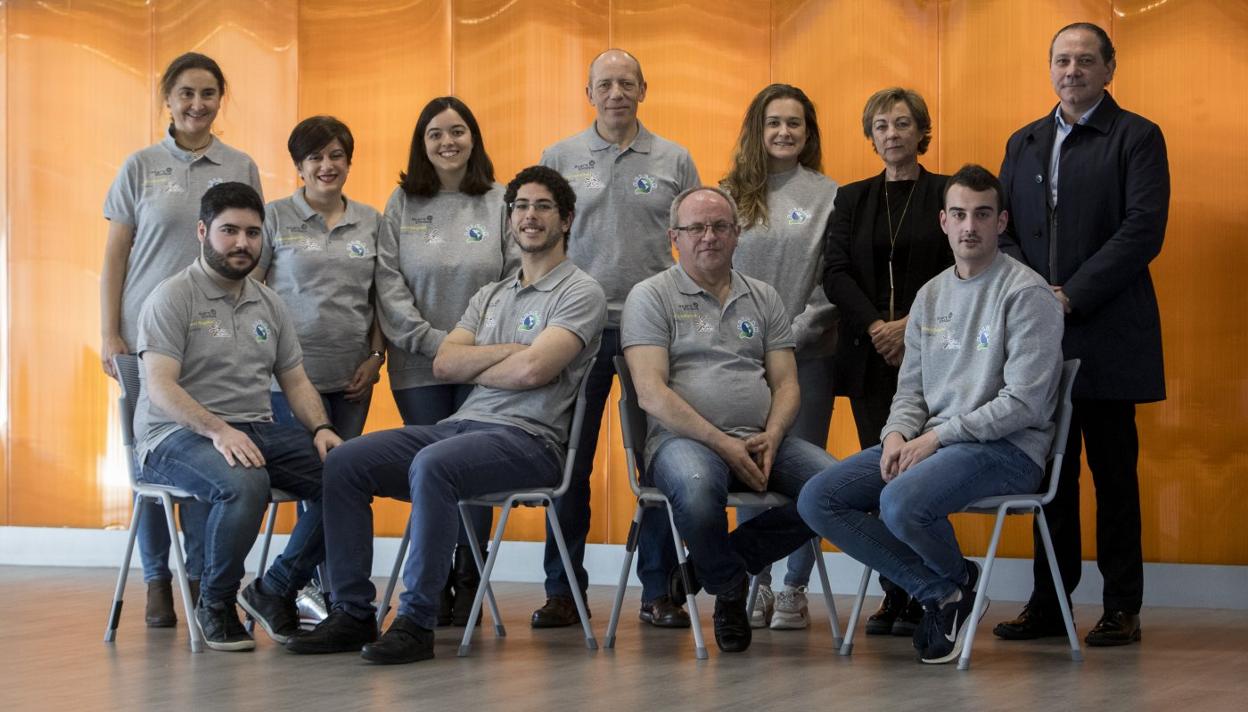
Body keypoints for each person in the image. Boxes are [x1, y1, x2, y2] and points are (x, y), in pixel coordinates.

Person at [286, 165, 606, 665]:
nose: (530, 216)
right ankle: (351, 612)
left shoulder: (581, 291)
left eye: (543, 207)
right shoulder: (491, 294)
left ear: (566, 220)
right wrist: (514, 353)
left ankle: (416, 621)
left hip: (532, 441)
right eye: (520, 206)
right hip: (461, 428)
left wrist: (498, 360)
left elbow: (535, 371)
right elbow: (445, 362)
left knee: (434, 464)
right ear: (509, 221)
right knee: (346, 462)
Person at [798, 164, 1065, 665]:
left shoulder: (1026, 294)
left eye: (982, 215)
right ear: (944, 221)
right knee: (819, 498)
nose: (971, 227)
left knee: (899, 502)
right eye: (960, 214)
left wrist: (936, 439)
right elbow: (912, 390)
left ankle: (950, 587)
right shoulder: (932, 294)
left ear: (1001, 221)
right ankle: (947, 588)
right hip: (934, 443)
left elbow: (1024, 403)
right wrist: (898, 432)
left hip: (1006, 449)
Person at [993, 22, 1169, 648]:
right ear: (1050, 69)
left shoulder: (1137, 137)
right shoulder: (1025, 140)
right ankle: (1049, 602)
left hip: (1109, 332)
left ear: (1109, 68)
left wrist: (1070, 294)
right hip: (1038, 340)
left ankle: (1123, 606)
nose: (1073, 71)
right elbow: (1002, 230)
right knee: (1049, 478)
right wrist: (1038, 299)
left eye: (1086, 60)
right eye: (1062, 60)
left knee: (1113, 476)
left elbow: (1143, 230)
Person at [621, 186, 836, 653]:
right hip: (682, 442)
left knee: (838, 488)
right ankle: (729, 590)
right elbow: (651, 393)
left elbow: (787, 384)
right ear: (674, 236)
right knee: (698, 494)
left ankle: (717, 564)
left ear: (738, 235)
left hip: (763, 439)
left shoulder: (764, 297)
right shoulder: (650, 296)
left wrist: (774, 434)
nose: (709, 236)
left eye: (720, 226)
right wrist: (723, 444)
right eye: (696, 227)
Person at [133, 182, 341, 651]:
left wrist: (322, 428)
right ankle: (215, 602)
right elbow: (161, 388)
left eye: (252, 232)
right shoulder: (171, 297)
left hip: (252, 429)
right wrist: (218, 430)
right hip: (173, 435)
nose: (243, 243)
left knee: (347, 475)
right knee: (246, 483)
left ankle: (274, 589)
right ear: (203, 231)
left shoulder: (270, 303)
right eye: (230, 231)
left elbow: (296, 381)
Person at [535, 48, 700, 629]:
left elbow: (696, 247)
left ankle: (659, 590)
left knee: (659, 463)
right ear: (589, 93)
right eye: (605, 84)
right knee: (568, 461)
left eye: (627, 83)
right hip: (573, 332)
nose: (616, 93)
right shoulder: (559, 156)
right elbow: (535, 237)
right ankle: (562, 589)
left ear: (643, 89)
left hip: (652, 331)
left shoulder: (675, 158)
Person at [101, 51, 263, 628]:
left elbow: (253, 252)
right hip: (146, 339)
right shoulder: (140, 165)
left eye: (209, 94)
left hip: (216, 339)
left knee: (210, 454)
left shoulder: (241, 164)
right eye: (186, 94)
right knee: (151, 456)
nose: (197, 104)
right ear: (167, 99)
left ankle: (201, 577)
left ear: (222, 100)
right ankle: (155, 581)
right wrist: (109, 332)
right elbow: (116, 254)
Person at [375, 97, 512, 627]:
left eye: (457, 132)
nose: (447, 142)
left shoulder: (501, 200)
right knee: (430, 471)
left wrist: (471, 356)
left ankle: (470, 575)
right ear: (422, 142)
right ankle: (434, 579)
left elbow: (514, 282)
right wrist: (437, 346)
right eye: (435, 134)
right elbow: (387, 282)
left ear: (473, 138)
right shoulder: (403, 203)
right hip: (419, 365)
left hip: (486, 368)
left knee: (472, 472)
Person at [821, 87, 952, 636]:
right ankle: (896, 589)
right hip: (872, 354)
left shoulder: (948, 193)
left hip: (937, 355)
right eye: (881, 125)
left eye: (903, 124)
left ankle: (937, 588)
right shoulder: (851, 199)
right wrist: (878, 327)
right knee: (883, 473)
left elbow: (963, 264)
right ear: (870, 136)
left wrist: (911, 327)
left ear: (922, 132)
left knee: (928, 476)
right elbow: (835, 272)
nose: (892, 134)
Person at [721, 83, 839, 630]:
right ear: (756, 129)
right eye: (773, 122)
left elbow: (830, 281)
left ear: (808, 132)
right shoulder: (729, 194)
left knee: (808, 475)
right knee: (754, 466)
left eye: (795, 123)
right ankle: (755, 580)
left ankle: (794, 586)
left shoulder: (829, 195)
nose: (784, 132)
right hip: (740, 361)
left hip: (807, 353)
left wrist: (788, 338)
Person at [260, 115, 384, 441]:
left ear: (348, 162)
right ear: (299, 167)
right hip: (288, 379)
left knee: (343, 476)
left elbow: (382, 298)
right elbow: (251, 292)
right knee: (310, 477)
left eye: (336, 155)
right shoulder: (273, 216)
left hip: (352, 379)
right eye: (315, 157)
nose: (326, 165)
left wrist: (375, 358)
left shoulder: (372, 221)